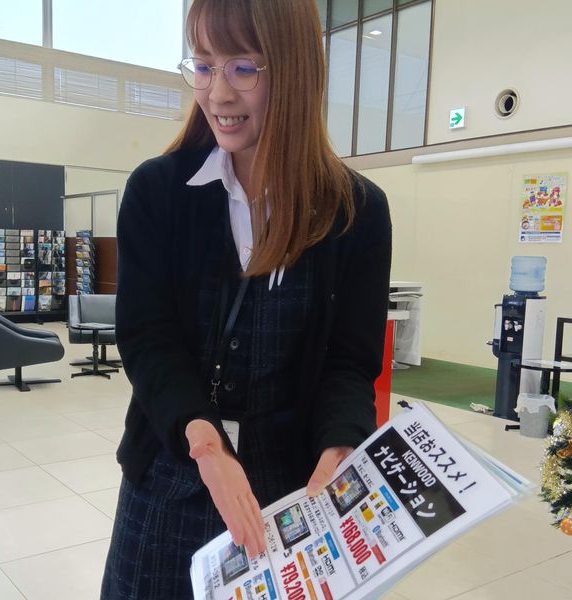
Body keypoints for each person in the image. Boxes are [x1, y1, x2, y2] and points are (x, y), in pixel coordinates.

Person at [100, 0, 391, 597]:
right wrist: (206, 444)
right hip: (172, 477)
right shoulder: (159, 191)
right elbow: (148, 337)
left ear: (295, 69)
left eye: (244, 68)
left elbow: (349, 361)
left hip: (288, 494)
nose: (218, 94)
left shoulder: (356, 212)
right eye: (204, 66)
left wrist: (339, 449)